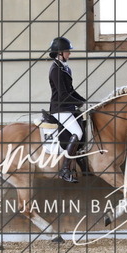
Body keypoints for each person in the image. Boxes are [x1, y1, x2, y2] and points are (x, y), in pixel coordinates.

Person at [48, 36, 86, 183]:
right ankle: (64, 170)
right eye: (67, 51)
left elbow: (71, 90)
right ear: (59, 53)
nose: (69, 53)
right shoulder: (55, 70)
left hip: (68, 107)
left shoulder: (65, 68)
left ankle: (79, 157)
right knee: (77, 132)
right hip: (60, 108)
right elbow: (63, 94)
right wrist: (78, 102)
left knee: (84, 124)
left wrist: (83, 101)